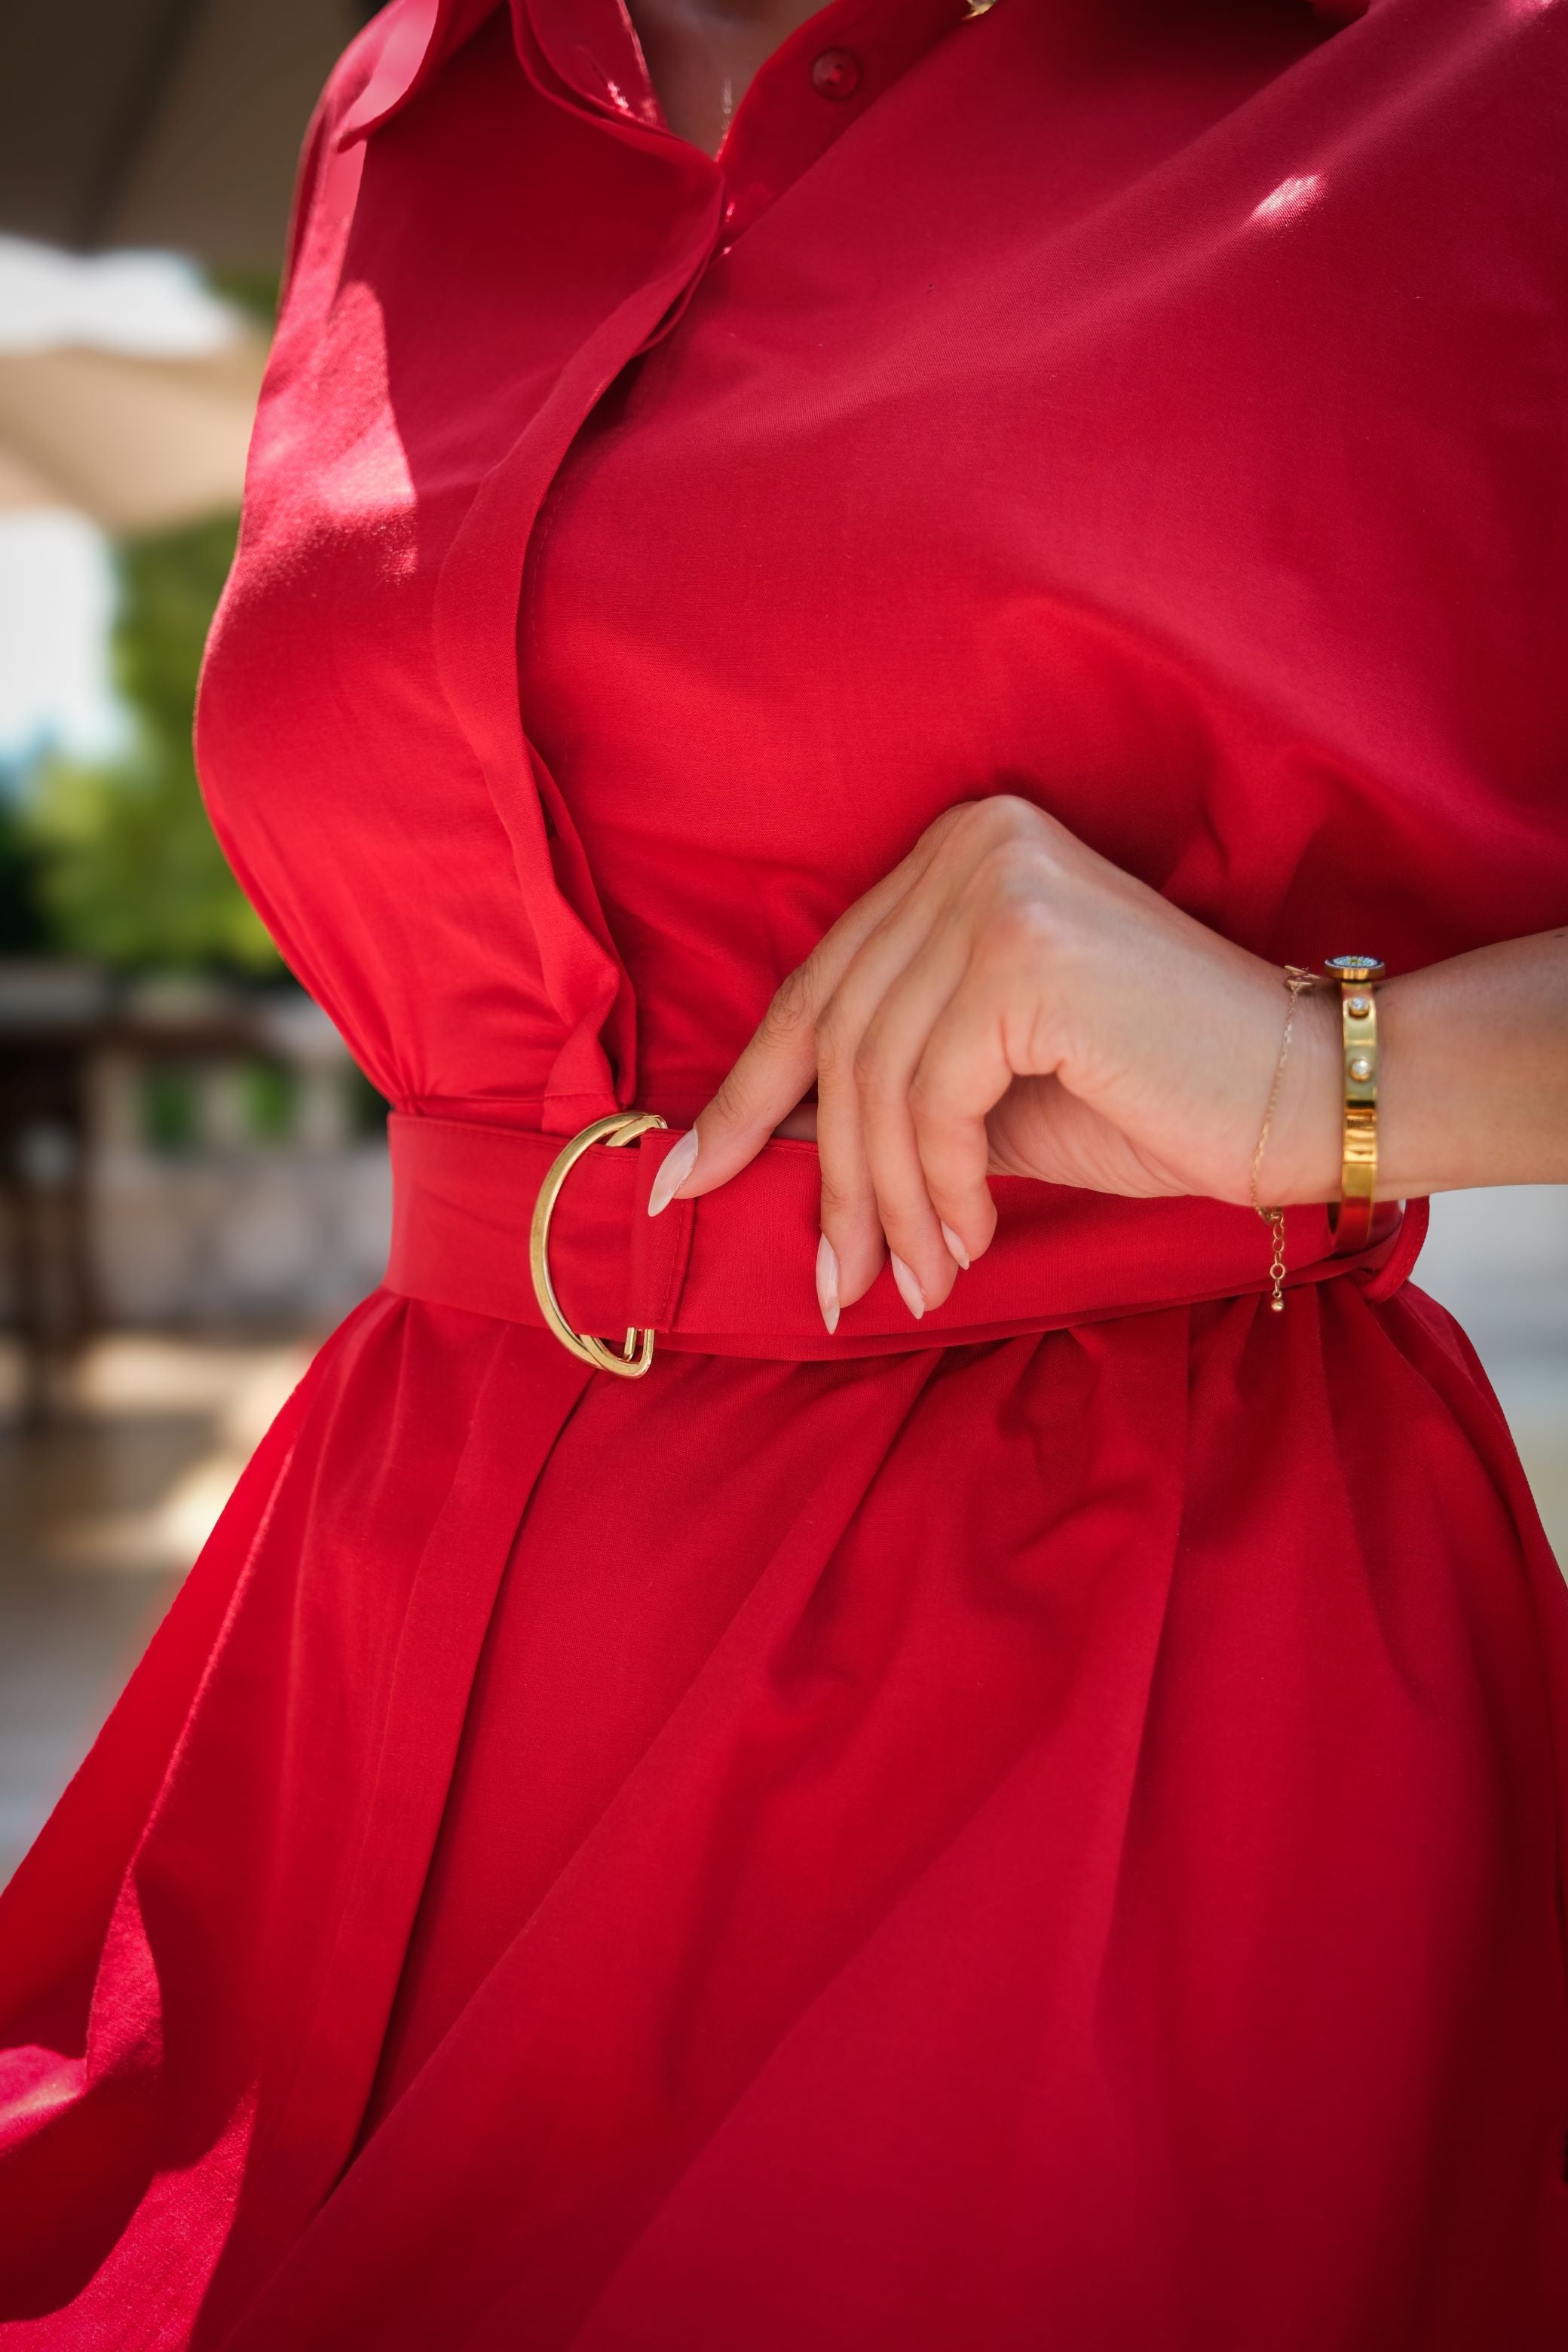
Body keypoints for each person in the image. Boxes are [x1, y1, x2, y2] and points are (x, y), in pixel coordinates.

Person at [2, 0, 1566, 2343]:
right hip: (363, 1641)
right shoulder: (409, 101)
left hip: (1095, 1692)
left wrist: (1314, 1081)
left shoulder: (1475, 75)